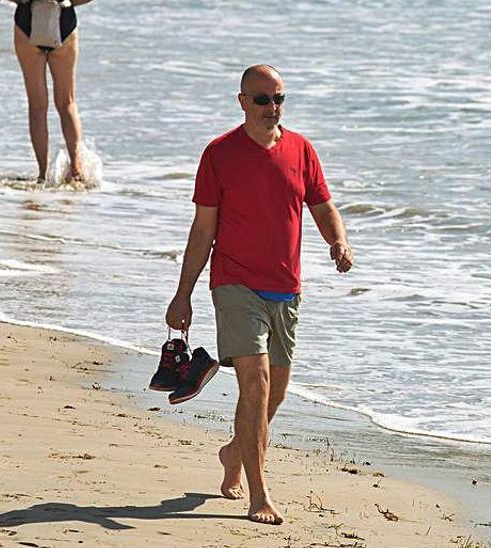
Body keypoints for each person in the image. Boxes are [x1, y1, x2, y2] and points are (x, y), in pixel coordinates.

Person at [165, 65, 353, 525]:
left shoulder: (301, 149)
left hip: (285, 288)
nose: (273, 108)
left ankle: (234, 452)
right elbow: (203, 229)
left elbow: (322, 204)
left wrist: (338, 241)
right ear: (242, 101)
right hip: (234, 283)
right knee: (257, 383)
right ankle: (259, 494)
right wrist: (183, 294)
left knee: (274, 394)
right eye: (263, 99)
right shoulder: (220, 154)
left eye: (279, 99)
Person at [11, 0, 92, 184]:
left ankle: (42, 173)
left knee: (37, 107)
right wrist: (68, 2)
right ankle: (76, 169)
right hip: (64, 21)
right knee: (67, 103)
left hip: (27, 21)